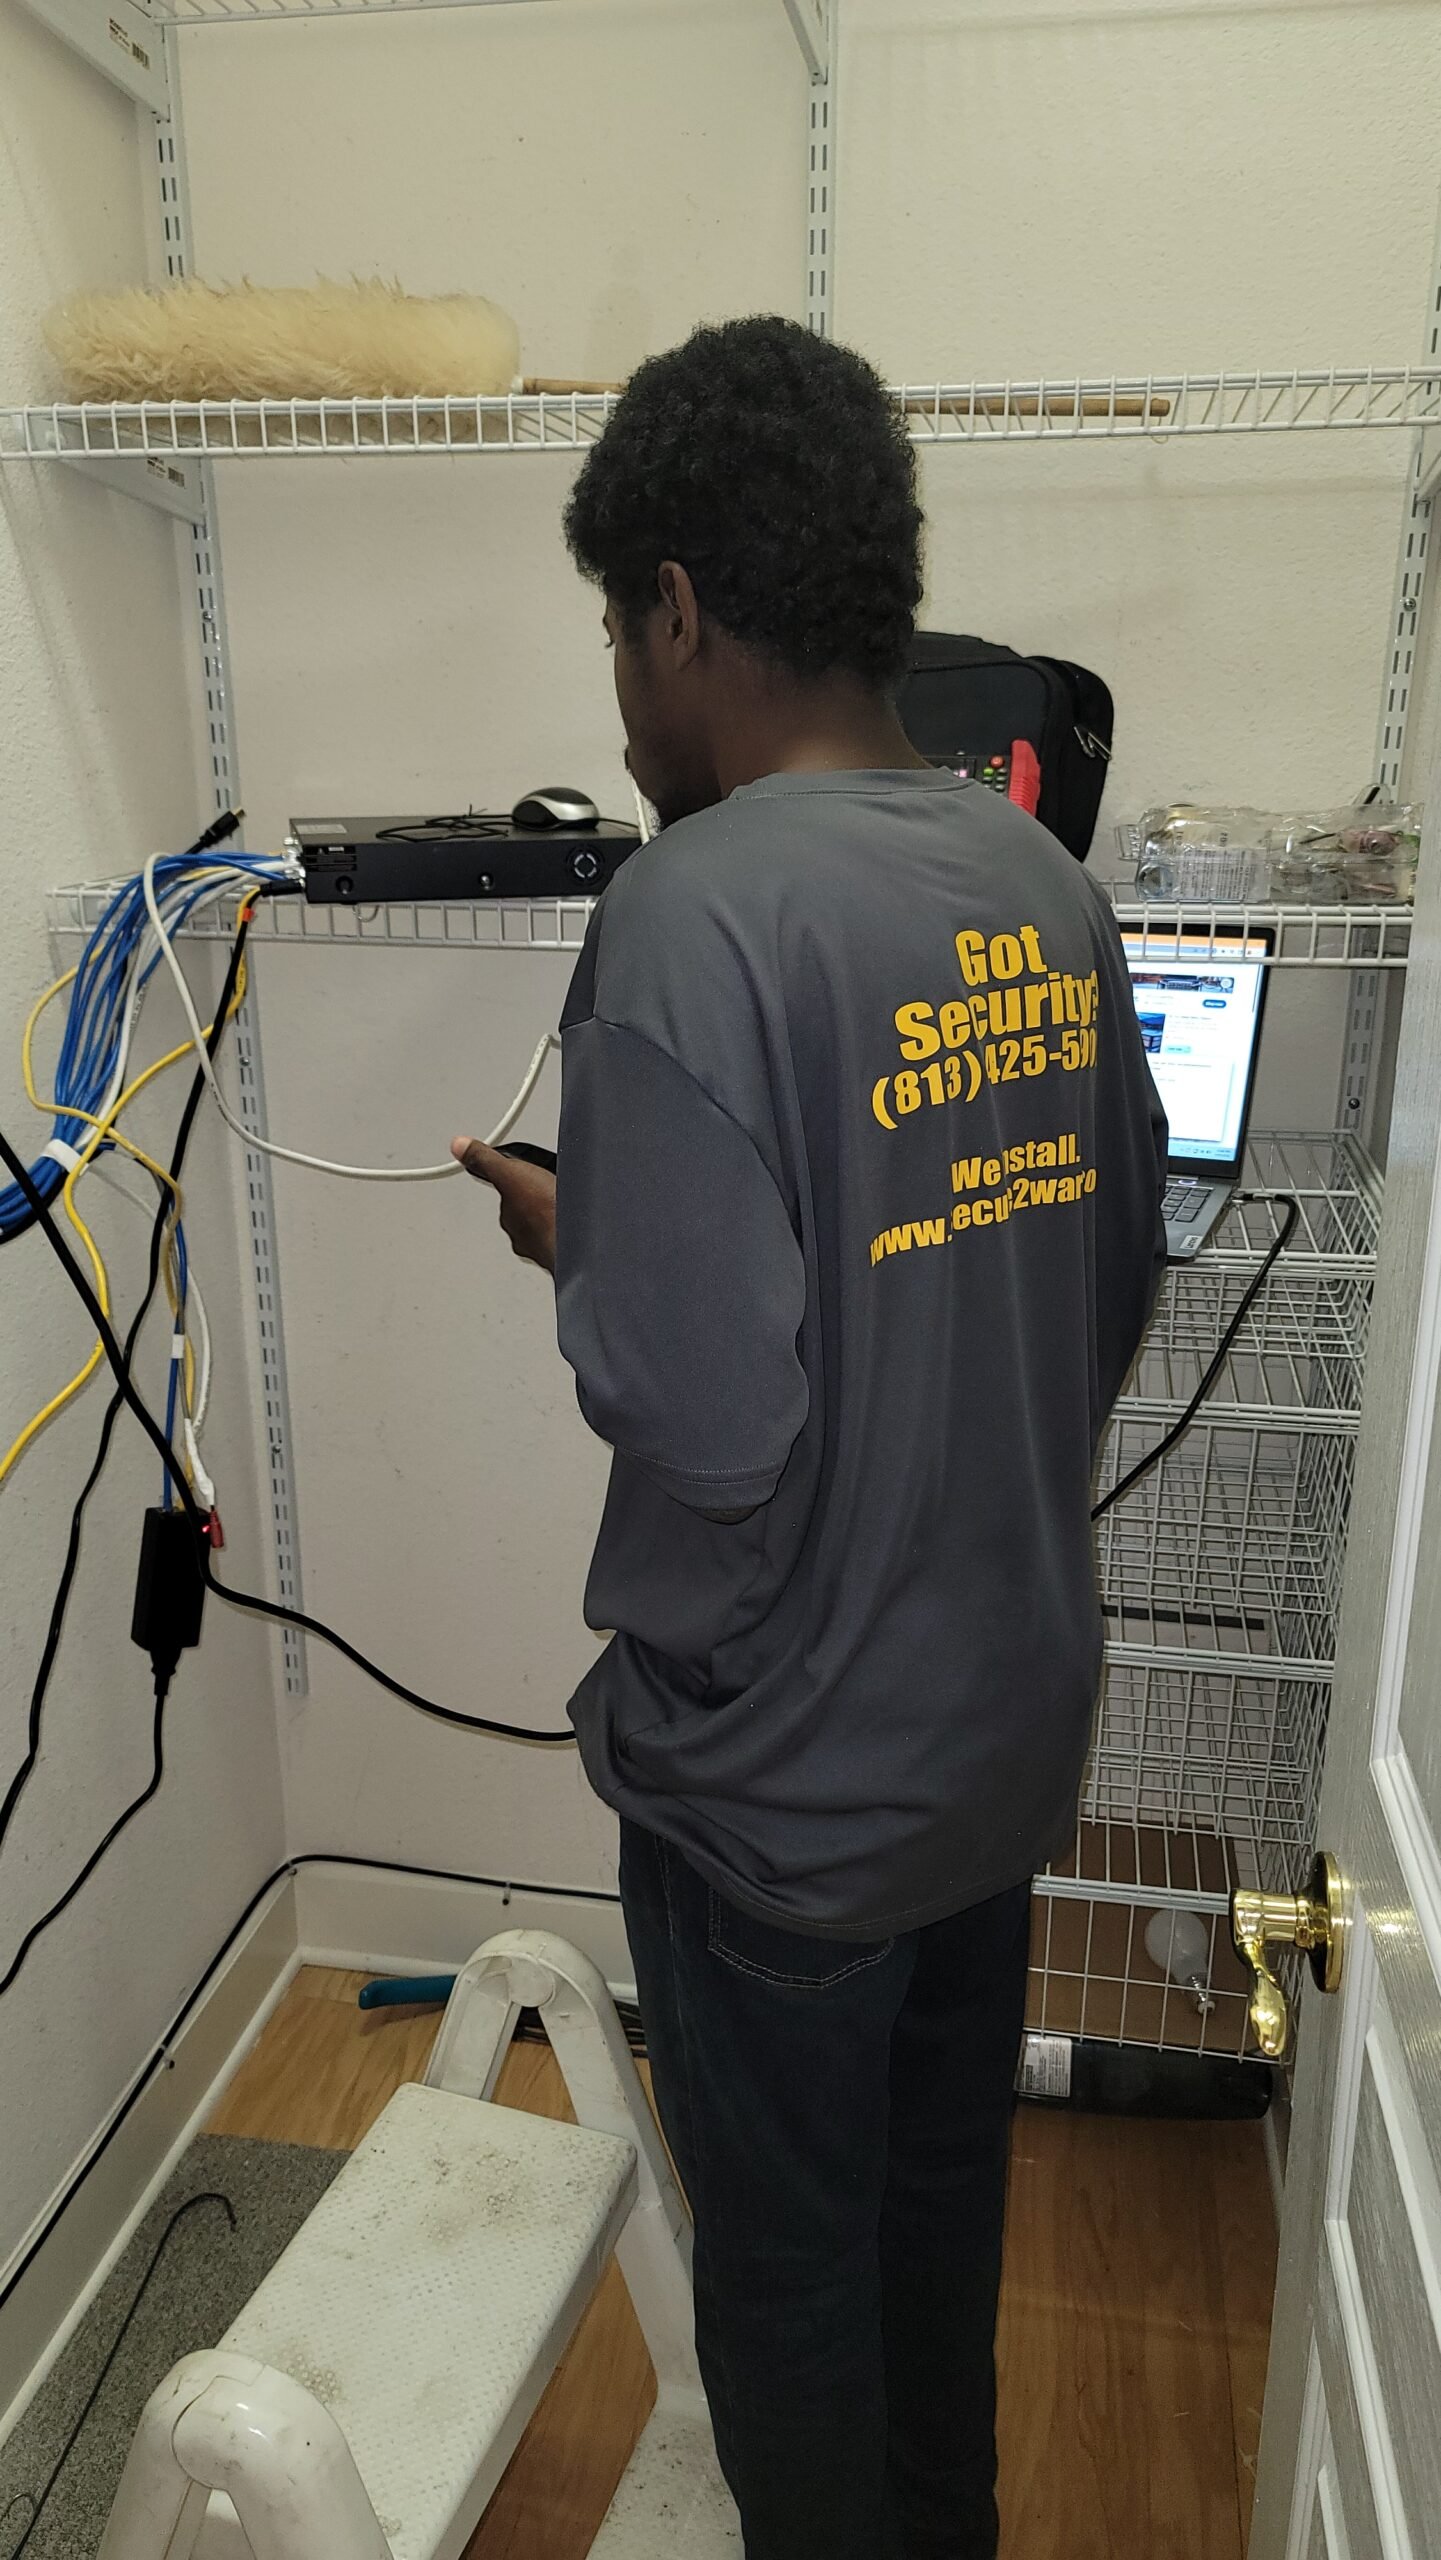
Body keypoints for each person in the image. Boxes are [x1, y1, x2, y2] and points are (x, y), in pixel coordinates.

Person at [453, 314, 1166, 2560]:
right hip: (991, 1752)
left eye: (616, 634)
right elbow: (1091, 1289)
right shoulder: (1036, 885)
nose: (620, 699)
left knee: (788, 2309)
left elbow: (705, 1409)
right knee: (931, 2251)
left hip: (779, 1801)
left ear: (677, 608)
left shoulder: (687, 910)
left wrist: (580, 1239)